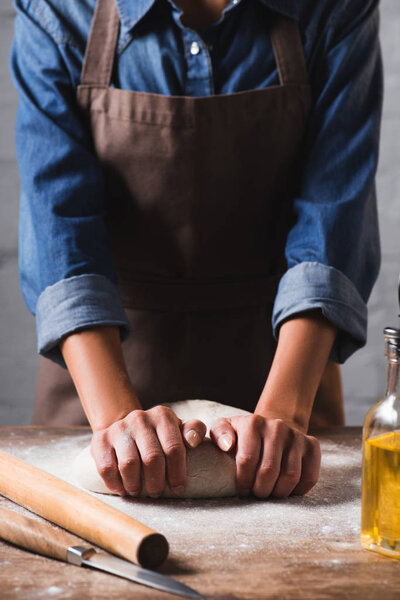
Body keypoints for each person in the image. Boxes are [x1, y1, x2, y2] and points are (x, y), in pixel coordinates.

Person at [10, 0, 382, 499]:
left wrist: (283, 414)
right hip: (96, 389)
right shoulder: (59, 8)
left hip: (286, 382)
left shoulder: (334, 9)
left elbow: (332, 217)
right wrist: (119, 423)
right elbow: (59, 223)